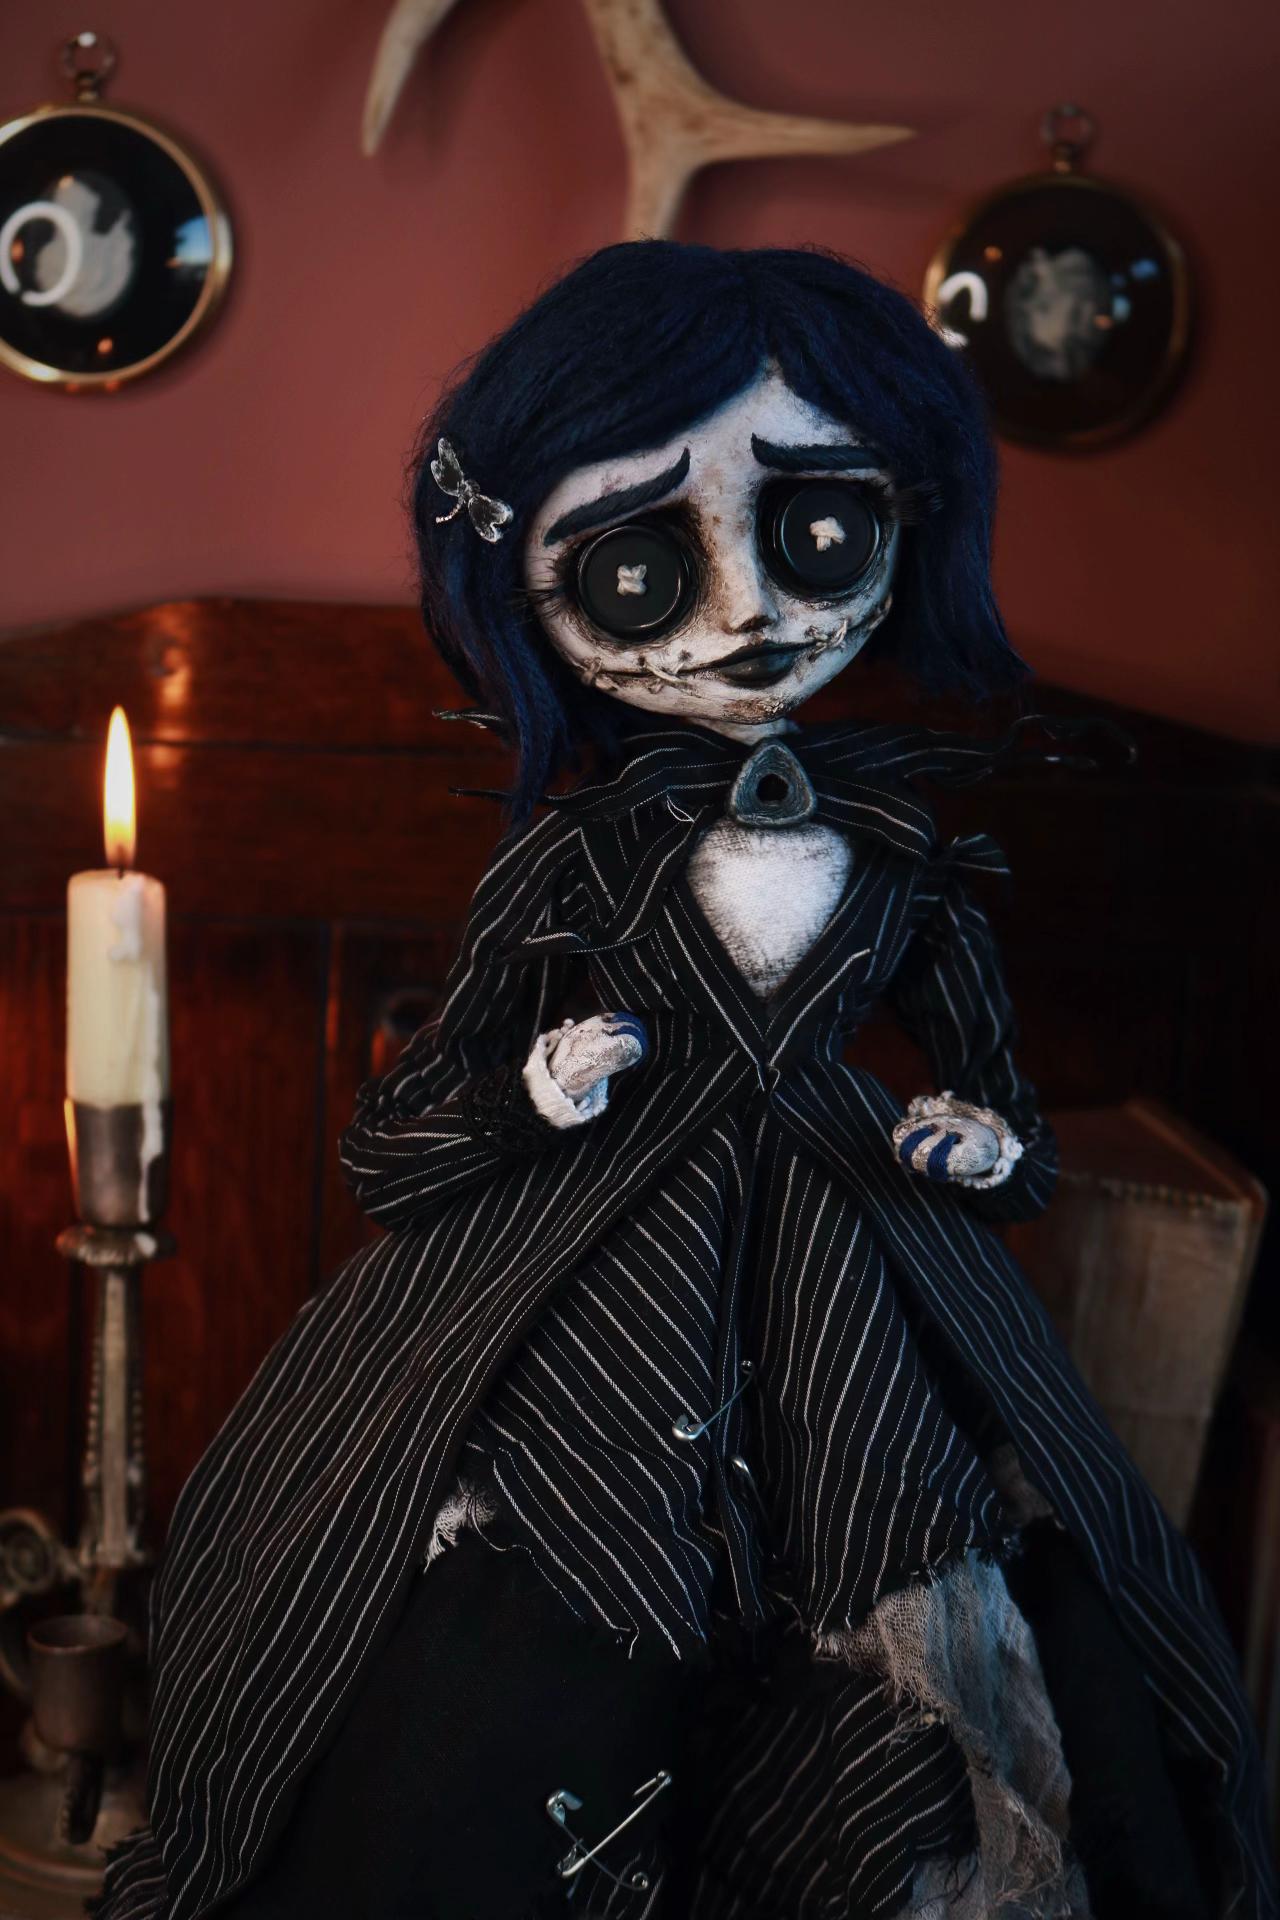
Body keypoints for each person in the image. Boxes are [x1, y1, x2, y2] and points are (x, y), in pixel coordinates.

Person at [93, 243, 1273, 1920]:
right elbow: (397, 1145)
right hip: (594, 1282)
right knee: (515, 1649)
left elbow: (1009, 1134)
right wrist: (532, 1099)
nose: (746, 615)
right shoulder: (576, 861)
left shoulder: (902, 854)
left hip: (857, 1281)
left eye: (817, 531)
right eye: (639, 568)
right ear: (526, 582)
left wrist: (975, 1146)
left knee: (942, 1590)